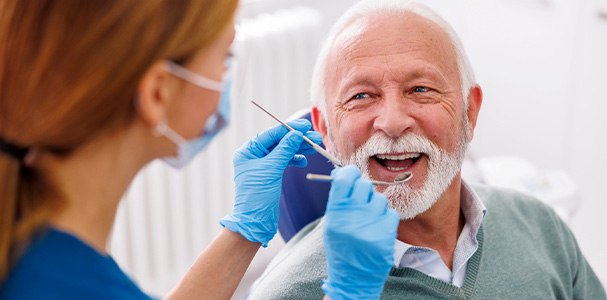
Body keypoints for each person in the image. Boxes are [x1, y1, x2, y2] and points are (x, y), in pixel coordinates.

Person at [0, 1, 399, 299]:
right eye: (224, 59)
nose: (391, 122)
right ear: (157, 93)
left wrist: (243, 231)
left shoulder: (34, 244)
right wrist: (350, 292)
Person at [248, 0, 607, 299]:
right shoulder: (291, 291)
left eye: (420, 89)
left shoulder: (542, 229)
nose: (392, 122)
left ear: (470, 110)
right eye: (361, 96)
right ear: (324, 129)